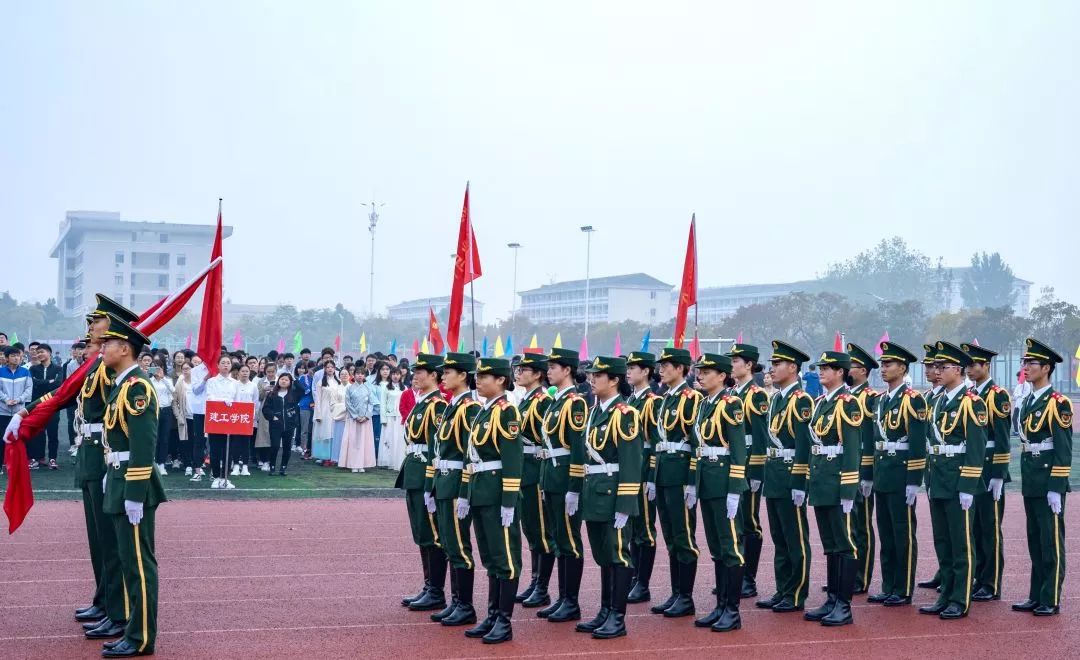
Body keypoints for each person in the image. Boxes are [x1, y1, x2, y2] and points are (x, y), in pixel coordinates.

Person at [97, 313, 166, 657]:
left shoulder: (137, 387)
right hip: (119, 479)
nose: (101, 348)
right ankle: (133, 630)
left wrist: (135, 494)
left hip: (132, 485)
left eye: (107, 343)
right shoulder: (123, 385)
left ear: (124, 347)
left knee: (139, 564)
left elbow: (143, 445)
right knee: (128, 561)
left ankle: (141, 638)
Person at [571, 356, 642, 639]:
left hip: (613, 493)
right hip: (594, 492)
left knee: (618, 555)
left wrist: (626, 504)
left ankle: (618, 616)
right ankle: (604, 610)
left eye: (598, 375)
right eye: (591, 374)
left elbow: (631, 462)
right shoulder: (593, 412)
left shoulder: (624, 414)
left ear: (614, 380)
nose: (592, 379)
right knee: (602, 555)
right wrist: (576, 490)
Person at [918, 341, 988, 620]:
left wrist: (968, 486)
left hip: (959, 481)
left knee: (961, 544)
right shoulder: (936, 401)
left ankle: (960, 599)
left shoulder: (972, 402)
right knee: (943, 542)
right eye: (935, 366)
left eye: (942, 366)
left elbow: (976, 447)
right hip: (939, 479)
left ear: (957, 369)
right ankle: (946, 593)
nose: (936, 370)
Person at [460, 357, 523, 644]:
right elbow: (470, 456)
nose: (478, 380)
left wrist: (509, 500)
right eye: (478, 376)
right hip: (480, 490)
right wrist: (465, 493)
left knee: (505, 557)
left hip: (497, 492)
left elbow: (512, 460)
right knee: (490, 557)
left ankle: (505, 621)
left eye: (485, 376)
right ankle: (493, 613)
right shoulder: (484, 412)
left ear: (501, 380)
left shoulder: (506, 411)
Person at [802, 350, 862, 627]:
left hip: (839, 482)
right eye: (821, 367)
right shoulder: (820, 402)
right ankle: (832, 598)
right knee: (830, 544)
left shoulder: (848, 403)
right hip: (822, 480)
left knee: (844, 543)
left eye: (827, 368)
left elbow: (851, 449)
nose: (822, 371)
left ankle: (844, 604)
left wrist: (849, 489)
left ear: (840, 372)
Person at [1011, 338, 1071, 617]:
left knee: (1051, 541)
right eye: (1024, 362)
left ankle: (1050, 597)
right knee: (1035, 540)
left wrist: (1056, 486)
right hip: (1031, 477)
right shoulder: (1028, 401)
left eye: (1030, 363)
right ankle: (1035, 595)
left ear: (1046, 367)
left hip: (1048, 479)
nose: (1025, 367)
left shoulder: (1058, 403)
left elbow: (1063, 449)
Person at [866, 342, 927, 609]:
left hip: (902, 474)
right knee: (886, 534)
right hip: (883, 473)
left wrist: (914, 480)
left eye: (888, 364)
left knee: (902, 534)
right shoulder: (880, 400)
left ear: (902, 368)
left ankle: (902, 588)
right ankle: (888, 584)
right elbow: (872, 441)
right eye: (881, 364)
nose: (883, 369)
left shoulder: (913, 399)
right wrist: (868, 474)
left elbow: (917, 442)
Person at [689, 353, 746, 633]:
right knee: (717, 549)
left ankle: (732, 611)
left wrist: (735, 489)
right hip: (707, 483)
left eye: (707, 371)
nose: (700, 375)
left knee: (731, 548)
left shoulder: (731, 403)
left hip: (724, 483)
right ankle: (721, 604)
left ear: (722, 376)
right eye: (699, 371)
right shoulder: (704, 404)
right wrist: (692, 483)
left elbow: (738, 450)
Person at [755, 341, 813, 614]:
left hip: (791, 474)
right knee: (779, 536)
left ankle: (796, 591)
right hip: (775, 474)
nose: (772, 369)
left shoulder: (801, 400)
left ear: (793, 368)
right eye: (772, 365)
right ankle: (782, 588)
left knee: (795, 536)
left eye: (777, 365)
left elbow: (803, 445)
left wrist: (800, 482)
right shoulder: (776, 398)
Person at [424, 352, 482, 625]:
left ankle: (466, 605)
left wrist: (464, 492)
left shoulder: (469, 408)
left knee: (459, 545)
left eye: (449, 372)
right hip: (444, 480)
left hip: (458, 481)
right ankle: (456, 600)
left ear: (463, 376)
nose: (443, 376)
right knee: (448, 543)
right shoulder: (452, 406)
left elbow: (471, 453)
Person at [649, 347, 703, 618]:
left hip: (680, 473)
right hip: (663, 473)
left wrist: (692, 480)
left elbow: (696, 442)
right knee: (671, 536)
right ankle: (676, 592)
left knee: (684, 536)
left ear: (681, 368)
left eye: (667, 365)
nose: (661, 369)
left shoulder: (691, 398)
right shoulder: (665, 397)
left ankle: (686, 596)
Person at [536, 348, 589, 623]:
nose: (549, 371)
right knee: (558, 540)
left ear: (567, 370)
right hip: (551, 477)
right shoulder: (557, 401)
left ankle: (572, 601)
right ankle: (561, 597)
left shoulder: (575, 403)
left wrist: (574, 486)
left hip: (565, 477)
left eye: (554, 367)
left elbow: (578, 448)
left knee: (570, 541)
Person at [961, 342, 1012, 602]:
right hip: (974, 467)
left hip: (990, 467)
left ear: (986, 366)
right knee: (975, 528)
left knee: (990, 528)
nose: (969, 369)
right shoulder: (970, 394)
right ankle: (978, 577)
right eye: (967, 365)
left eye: (974, 365)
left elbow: (1002, 438)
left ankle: (991, 583)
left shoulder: (997, 395)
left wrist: (998, 474)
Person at [398, 354, 449, 613]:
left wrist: (430, 482)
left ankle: (436, 590)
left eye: (422, 372)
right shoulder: (422, 402)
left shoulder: (437, 406)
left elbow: (435, 448)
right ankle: (429, 585)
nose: (415, 375)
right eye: (415, 371)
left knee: (432, 533)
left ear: (435, 376)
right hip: (414, 471)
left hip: (425, 473)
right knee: (421, 532)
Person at [510, 353, 555, 608]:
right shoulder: (527, 400)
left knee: (541, 531)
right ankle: (535, 580)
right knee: (531, 530)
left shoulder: (542, 401)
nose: (519, 373)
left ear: (538, 374)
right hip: (525, 469)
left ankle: (543, 587)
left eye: (525, 369)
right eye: (518, 369)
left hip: (535, 468)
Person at [728, 343, 769, 599]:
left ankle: (748, 579)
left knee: (750, 522)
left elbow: (761, 437)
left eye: (735, 361)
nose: (732, 365)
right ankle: (735, 574)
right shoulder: (732, 394)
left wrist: (755, 472)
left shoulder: (756, 395)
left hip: (749, 465)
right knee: (735, 522)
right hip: (733, 464)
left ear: (749, 365)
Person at [624, 352, 661, 604]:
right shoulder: (630, 400)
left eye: (633, 368)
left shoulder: (652, 401)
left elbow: (655, 442)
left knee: (645, 530)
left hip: (644, 469)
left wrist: (651, 475)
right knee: (633, 528)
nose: (628, 372)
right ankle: (634, 577)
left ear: (646, 371)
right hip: (631, 470)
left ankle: (643, 583)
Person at [845, 343, 881, 595]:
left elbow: (870, 439)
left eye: (852, 366)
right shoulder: (845, 397)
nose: (847, 370)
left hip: (861, 469)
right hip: (845, 469)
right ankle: (847, 575)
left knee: (861, 526)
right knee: (846, 526)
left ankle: (861, 576)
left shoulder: (870, 398)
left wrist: (866, 473)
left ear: (864, 371)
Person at [916, 343, 946, 591]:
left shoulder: (967, 399)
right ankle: (944, 572)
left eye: (935, 366)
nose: (929, 370)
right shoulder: (928, 397)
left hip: (958, 470)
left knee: (974, 529)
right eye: (927, 365)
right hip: (934, 467)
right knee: (941, 529)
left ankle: (983, 579)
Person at [204, 355, 239, 489]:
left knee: (228, 450)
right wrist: (223, 402)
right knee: (215, 450)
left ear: (231, 366)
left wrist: (231, 404)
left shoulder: (235, 383)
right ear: (218, 365)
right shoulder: (212, 381)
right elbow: (209, 397)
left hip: (230, 420)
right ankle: (216, 476)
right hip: (216, 419)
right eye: (223, 363)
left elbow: (237, 401)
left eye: (228, 363)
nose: (225, 365)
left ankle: (225, 478)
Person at [29, 343, 64, 469]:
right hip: (37, 405)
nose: (39, 354)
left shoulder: (58, 369)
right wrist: (49, 382)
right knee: (38, 433)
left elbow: (58, 384)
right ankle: (37, 458)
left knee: (53, 433)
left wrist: (43, 383)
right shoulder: (33, 369)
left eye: (42, 351)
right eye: (38, 352)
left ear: (50, 353)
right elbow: (34, 383)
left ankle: (53, 459)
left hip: (53, 406)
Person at [341, 366, 377, 472]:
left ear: (364, 376)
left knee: (363, 442)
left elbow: (371, 403)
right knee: (353, 441)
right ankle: (353, 464)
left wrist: (366, 416)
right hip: (353, 419)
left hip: (365, 420)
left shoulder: (368, 388)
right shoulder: (349, 388)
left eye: (362, 374)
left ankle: (362, 464)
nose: (360, 375)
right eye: (357, 373)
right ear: (354, 375)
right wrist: (356, 416)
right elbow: (348, 403)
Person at [262, 372, 299, 475]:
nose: (283, 381)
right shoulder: (272, 394)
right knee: (275, 446)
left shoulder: (294, 394)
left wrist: (295, 378)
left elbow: (302, 389)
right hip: (275, 425)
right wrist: (272, 417)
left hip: (290, 425)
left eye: (286, 380)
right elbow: (266, 408)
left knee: (287, 447)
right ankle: (272, 466)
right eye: (282, 379)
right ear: (278, 381)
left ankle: (283, 467)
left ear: (290, 382)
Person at [1, 346, 33, 458]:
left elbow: (28, 390)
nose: (16, 358)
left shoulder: (26, 372)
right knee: (2, 438)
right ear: (7, 358)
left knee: (19, 437)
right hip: (2, 411)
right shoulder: (1, 372)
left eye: (18, 356)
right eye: (13, 356)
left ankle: (18, 461)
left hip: (19, 412)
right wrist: (6, 400)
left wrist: (18, 400)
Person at [231, 364, 258, 476]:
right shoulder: (234, 385)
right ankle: (236, 465)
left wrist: (253, 415)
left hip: (247, 418)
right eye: (243, 371)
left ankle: (245, 466)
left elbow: (256, 402)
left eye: (247, 371)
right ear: (238, 373)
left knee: (246, 443)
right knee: (236, 442)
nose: (245, 373)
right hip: (235, 417)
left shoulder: (253, 386)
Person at [312, 362, 342, 463]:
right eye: (327, 367)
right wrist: (318, 414)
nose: (330, 369)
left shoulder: (339, 382)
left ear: (334, 369)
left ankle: (334, 456)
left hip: (336, 409)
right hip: (324, 410)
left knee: (334, 431)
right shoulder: (321, 382)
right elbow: (318, 399)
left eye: (332, 367)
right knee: (324, 432)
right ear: (324, 369)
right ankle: (323, 456)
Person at [149, 360, 175, 476]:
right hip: (154, 411)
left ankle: (162, 464)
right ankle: (152, 462)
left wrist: (163, 377)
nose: (156, 369)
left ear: (163, 367)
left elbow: (174, 392)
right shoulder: (149, 380)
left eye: (158, 367)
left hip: (166, 410)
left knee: (164, 438)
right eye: (153, 367)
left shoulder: (168, 380)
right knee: (155, 437)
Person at [380, 368, 407, 469]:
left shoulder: (404, 388)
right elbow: (383, 404)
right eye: (394, 374)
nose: (396, 376)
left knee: (399, 439)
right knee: (389, 438)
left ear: (400, 376)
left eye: (398, 374)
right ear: (391, 375)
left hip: (400, 417)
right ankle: (389, 461)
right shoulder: (386, 388)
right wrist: (383, 419)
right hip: (389, 417)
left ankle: (398, 461)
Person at [173, 362, 193, 475]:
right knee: (185, 442)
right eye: (184, 369)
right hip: (185, 418)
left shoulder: (197, 383)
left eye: (188, 368)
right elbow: (174, 401)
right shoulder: (180, 384)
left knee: (197, 442)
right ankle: (188, 465)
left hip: (198, 417)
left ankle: (197, 465)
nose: (186, 371)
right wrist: (178, 415)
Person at [371, 361, 391, 463]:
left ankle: (388, 458)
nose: (385, 371)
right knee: (377, 436)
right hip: (377, 414)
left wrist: (388, 411)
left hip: (390, 415)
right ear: (379, 371)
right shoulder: (374, 384)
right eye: (383, 369)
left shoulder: (393, 385)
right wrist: (381, 409)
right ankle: (377, 457)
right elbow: (373, 398)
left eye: (387, 369)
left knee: (389, 436)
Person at [296, 362, 314, 455]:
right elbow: (300, 389)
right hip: (304, 405)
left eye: (314, 368)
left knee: (313, 428)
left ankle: (312, 448)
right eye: (310, 368)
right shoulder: (302, 378)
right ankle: (304, 448)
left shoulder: (316, 378)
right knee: (305, 428)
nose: (312, 370)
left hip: (316, 405)